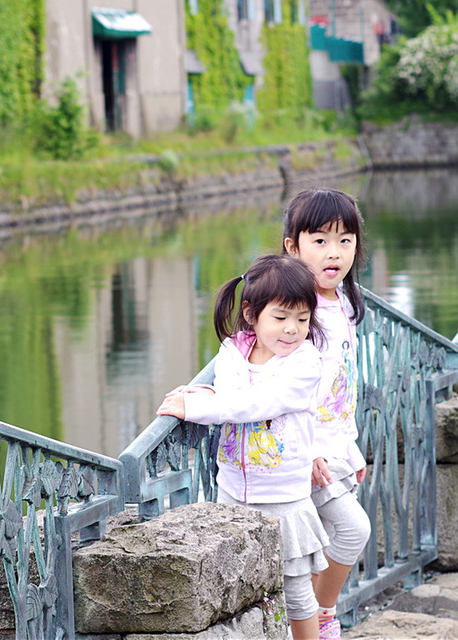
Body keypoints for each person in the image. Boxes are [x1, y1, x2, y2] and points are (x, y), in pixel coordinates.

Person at [158, 254, 331, 640]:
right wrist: (208, 395)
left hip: (284, 499)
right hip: (232, 493)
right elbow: (233, 397)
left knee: (297, 591)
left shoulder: (305, 364)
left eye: (302, 319)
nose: (292, 330)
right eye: (281, 318)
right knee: (245, 592)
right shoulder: (233, 351)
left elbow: (255, 403)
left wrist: (200, 406)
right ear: (251, 314)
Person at [282, 188, 373, 640]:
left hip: (335, 449)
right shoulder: (295, 312)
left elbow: (342, 389)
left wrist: (350, 449)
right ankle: (320, 617)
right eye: (319, 241)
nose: (333, 253)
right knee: (352, 530)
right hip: (304, 453)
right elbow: (280, 388)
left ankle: (310, 621)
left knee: (325, 542)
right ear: (292, 247)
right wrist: (310, 450)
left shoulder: (345, 303)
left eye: (345, 240)